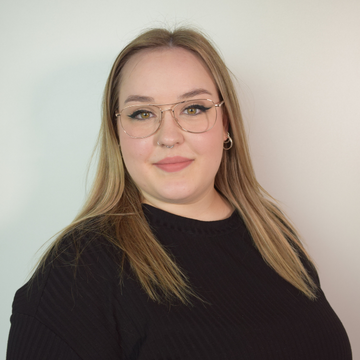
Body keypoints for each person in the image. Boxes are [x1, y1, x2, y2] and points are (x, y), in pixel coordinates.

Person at [7, 27, 352, 360]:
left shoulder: (272, 233)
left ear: (225, 124)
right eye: (142, 113)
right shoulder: (76, 270)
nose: (168, 136)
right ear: (117, 134)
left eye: (193, 108)